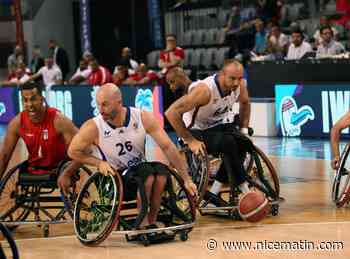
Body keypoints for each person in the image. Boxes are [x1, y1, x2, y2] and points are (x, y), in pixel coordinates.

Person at [64, 83, 197, 229]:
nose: (100, 110)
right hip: (114, 179)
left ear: (119, 103)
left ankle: (151, 220)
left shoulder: (141, 117)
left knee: (161, 172)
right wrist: (98, 163)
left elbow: (167, 146)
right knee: (147, 174)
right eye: (98, 105)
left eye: (105, 105)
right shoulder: (93, 126)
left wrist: (186, 179)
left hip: (140, 171)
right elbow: (73, 151)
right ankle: (142, 222)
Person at [165, 61, 251, 207]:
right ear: (222, 75)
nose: (237, 82)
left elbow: (245, 103)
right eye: (232, 78)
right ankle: (245, 190)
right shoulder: (205, 91)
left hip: (216, 126)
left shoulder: (240, 86)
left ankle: (215, 190)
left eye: (239, 78)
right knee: (228, 142)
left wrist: (244, 129)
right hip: (195, 131)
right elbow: (171, 113)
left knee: (243, 141)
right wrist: (189, 140)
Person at [0, 82, 81, 184]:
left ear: (42, 99)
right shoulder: (17, 123)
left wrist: (68, 172)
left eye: (33, 99)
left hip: (60, 168)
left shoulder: (59, 120)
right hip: (33, 168)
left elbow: (83, 149)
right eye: (25, 100)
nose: (30, 105)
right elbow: (4, 156)